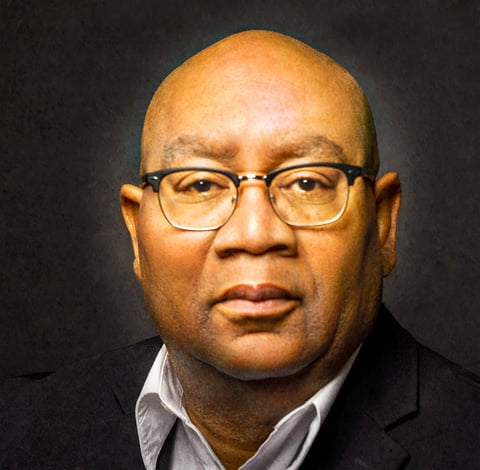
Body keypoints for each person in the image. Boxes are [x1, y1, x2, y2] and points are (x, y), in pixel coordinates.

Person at [1, 30, 478, 469]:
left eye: (307, 183)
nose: (254, 234)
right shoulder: (17, 430)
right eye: (200, 184)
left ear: (383, 224)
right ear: (136, 232)